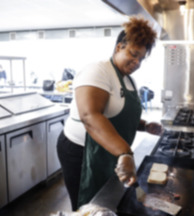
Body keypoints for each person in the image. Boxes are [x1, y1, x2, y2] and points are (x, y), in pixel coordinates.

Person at [57, 16, 162, 211]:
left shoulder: (128, 80)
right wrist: (125, 152)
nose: (137, 62)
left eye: (141, 58)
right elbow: (90, 116)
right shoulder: (98, 71)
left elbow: (121, 116)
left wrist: (145, 125)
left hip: (107, 150)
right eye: (133, 54)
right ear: (118, 47)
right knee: (87, 205)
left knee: (104, 199)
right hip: (81, 152)